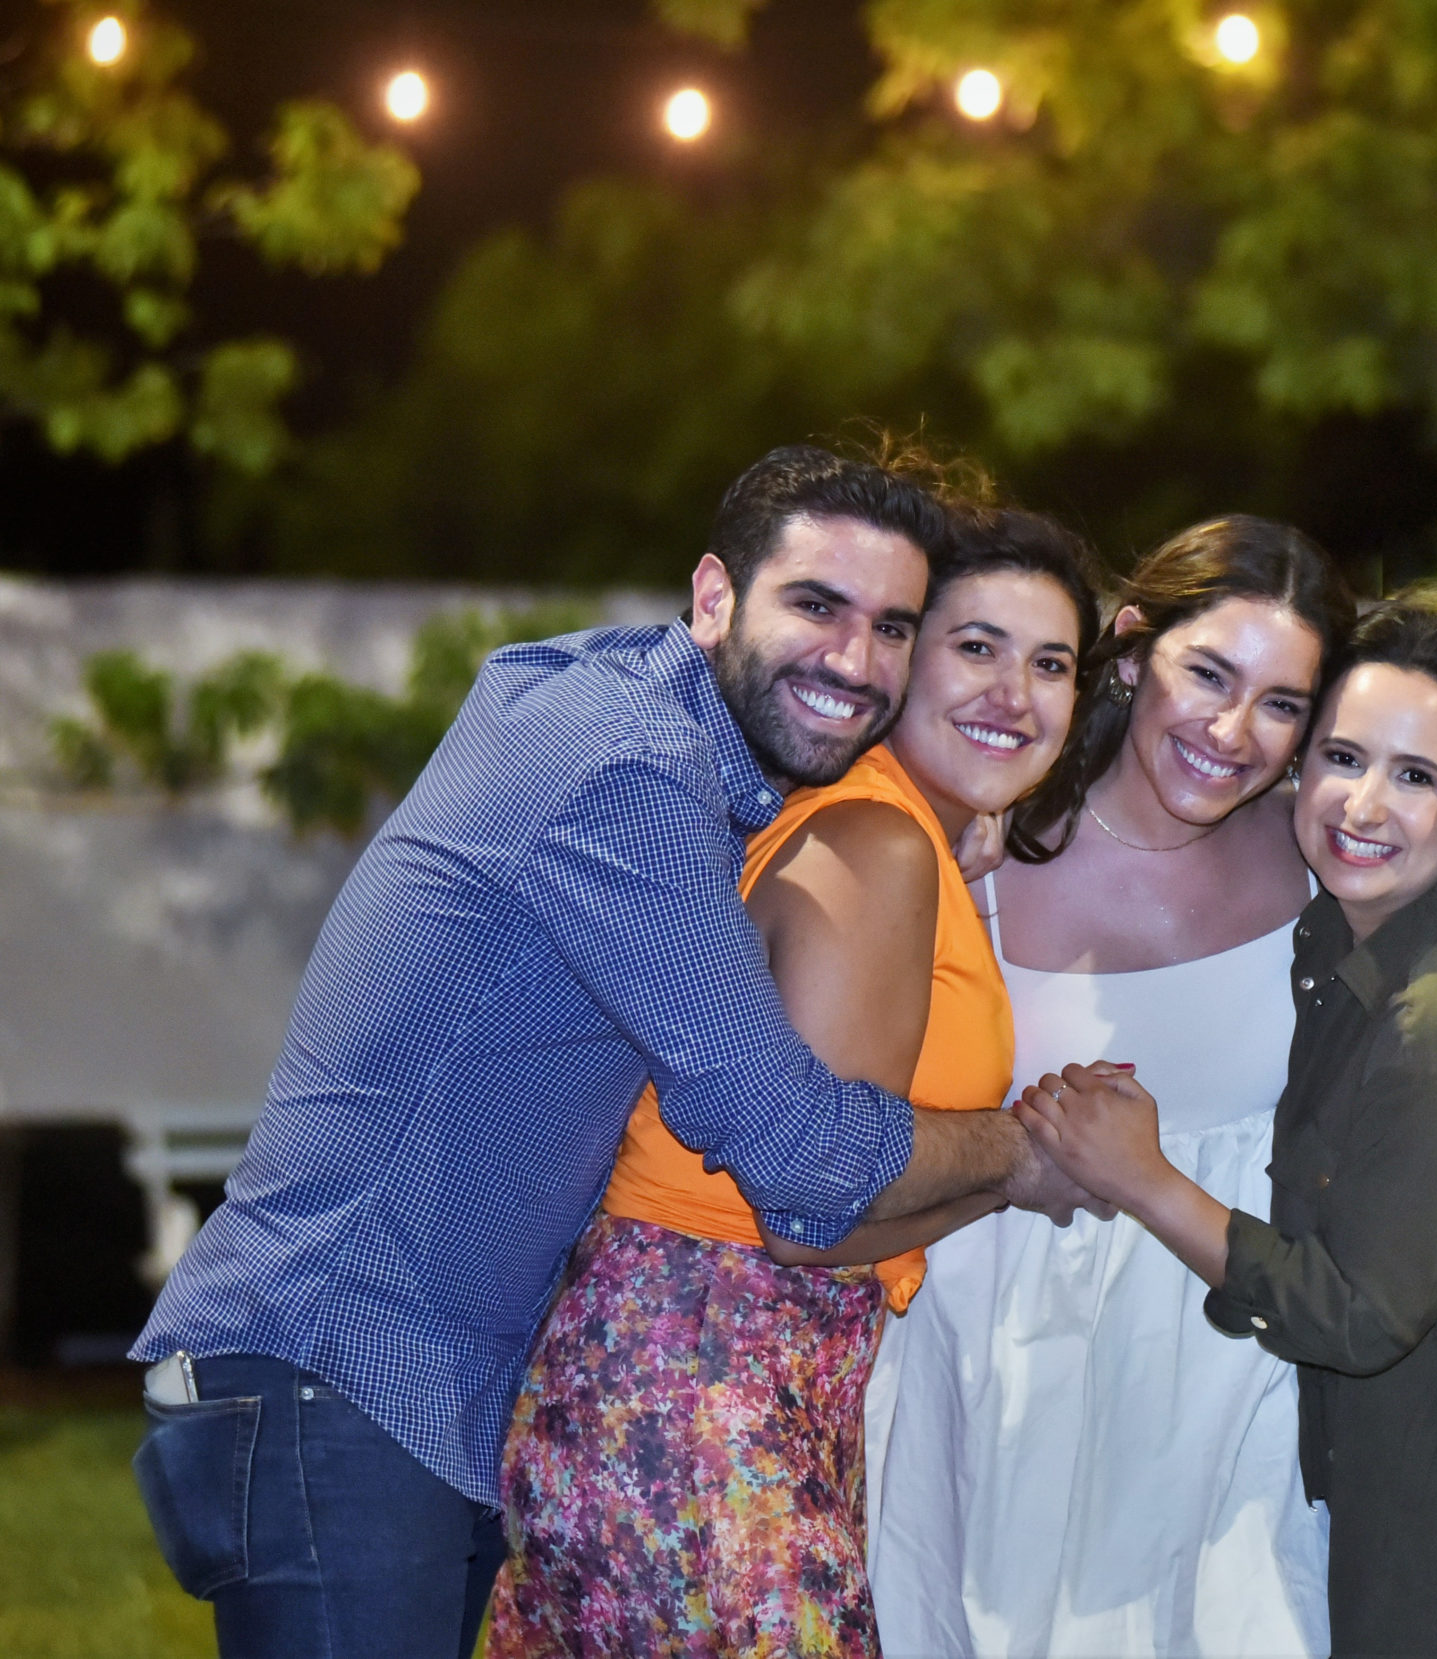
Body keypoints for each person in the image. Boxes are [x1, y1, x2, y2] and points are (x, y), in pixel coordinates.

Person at [127, 446, 1090, 1659]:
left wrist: (956, 819)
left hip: (421, 1392)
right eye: (816, 605)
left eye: (892, 627)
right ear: (712, 597)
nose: (855, 660)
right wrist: (1034, 1146)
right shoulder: (628, 776)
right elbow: (794, 1151)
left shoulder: (639, 719)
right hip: (337, 1366)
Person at [486, 509, 1101, 1657]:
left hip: (686, 1374)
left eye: (1051, 662)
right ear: (902, 661)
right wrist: (1031, 1165)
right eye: (975, 647)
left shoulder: (886, 828)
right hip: (709, 1382)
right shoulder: (875, 844)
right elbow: (813, 1219)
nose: (1015, 693)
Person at [1020, 602, 1437, 1659]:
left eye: (1416, 777)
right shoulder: (1336, 938)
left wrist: (1145, 1180)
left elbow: (1354, 1313)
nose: (1362, 804)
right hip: (1396, 1491)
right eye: (1340, 758)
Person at [867, 516, 1356, 1659]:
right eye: (1208, 675)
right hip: (992, 1383)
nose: (1234, 732)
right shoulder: (975, 852)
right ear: (1131, 651)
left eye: (1282, 704)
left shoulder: (1330, 858)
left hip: (1232, 1391)